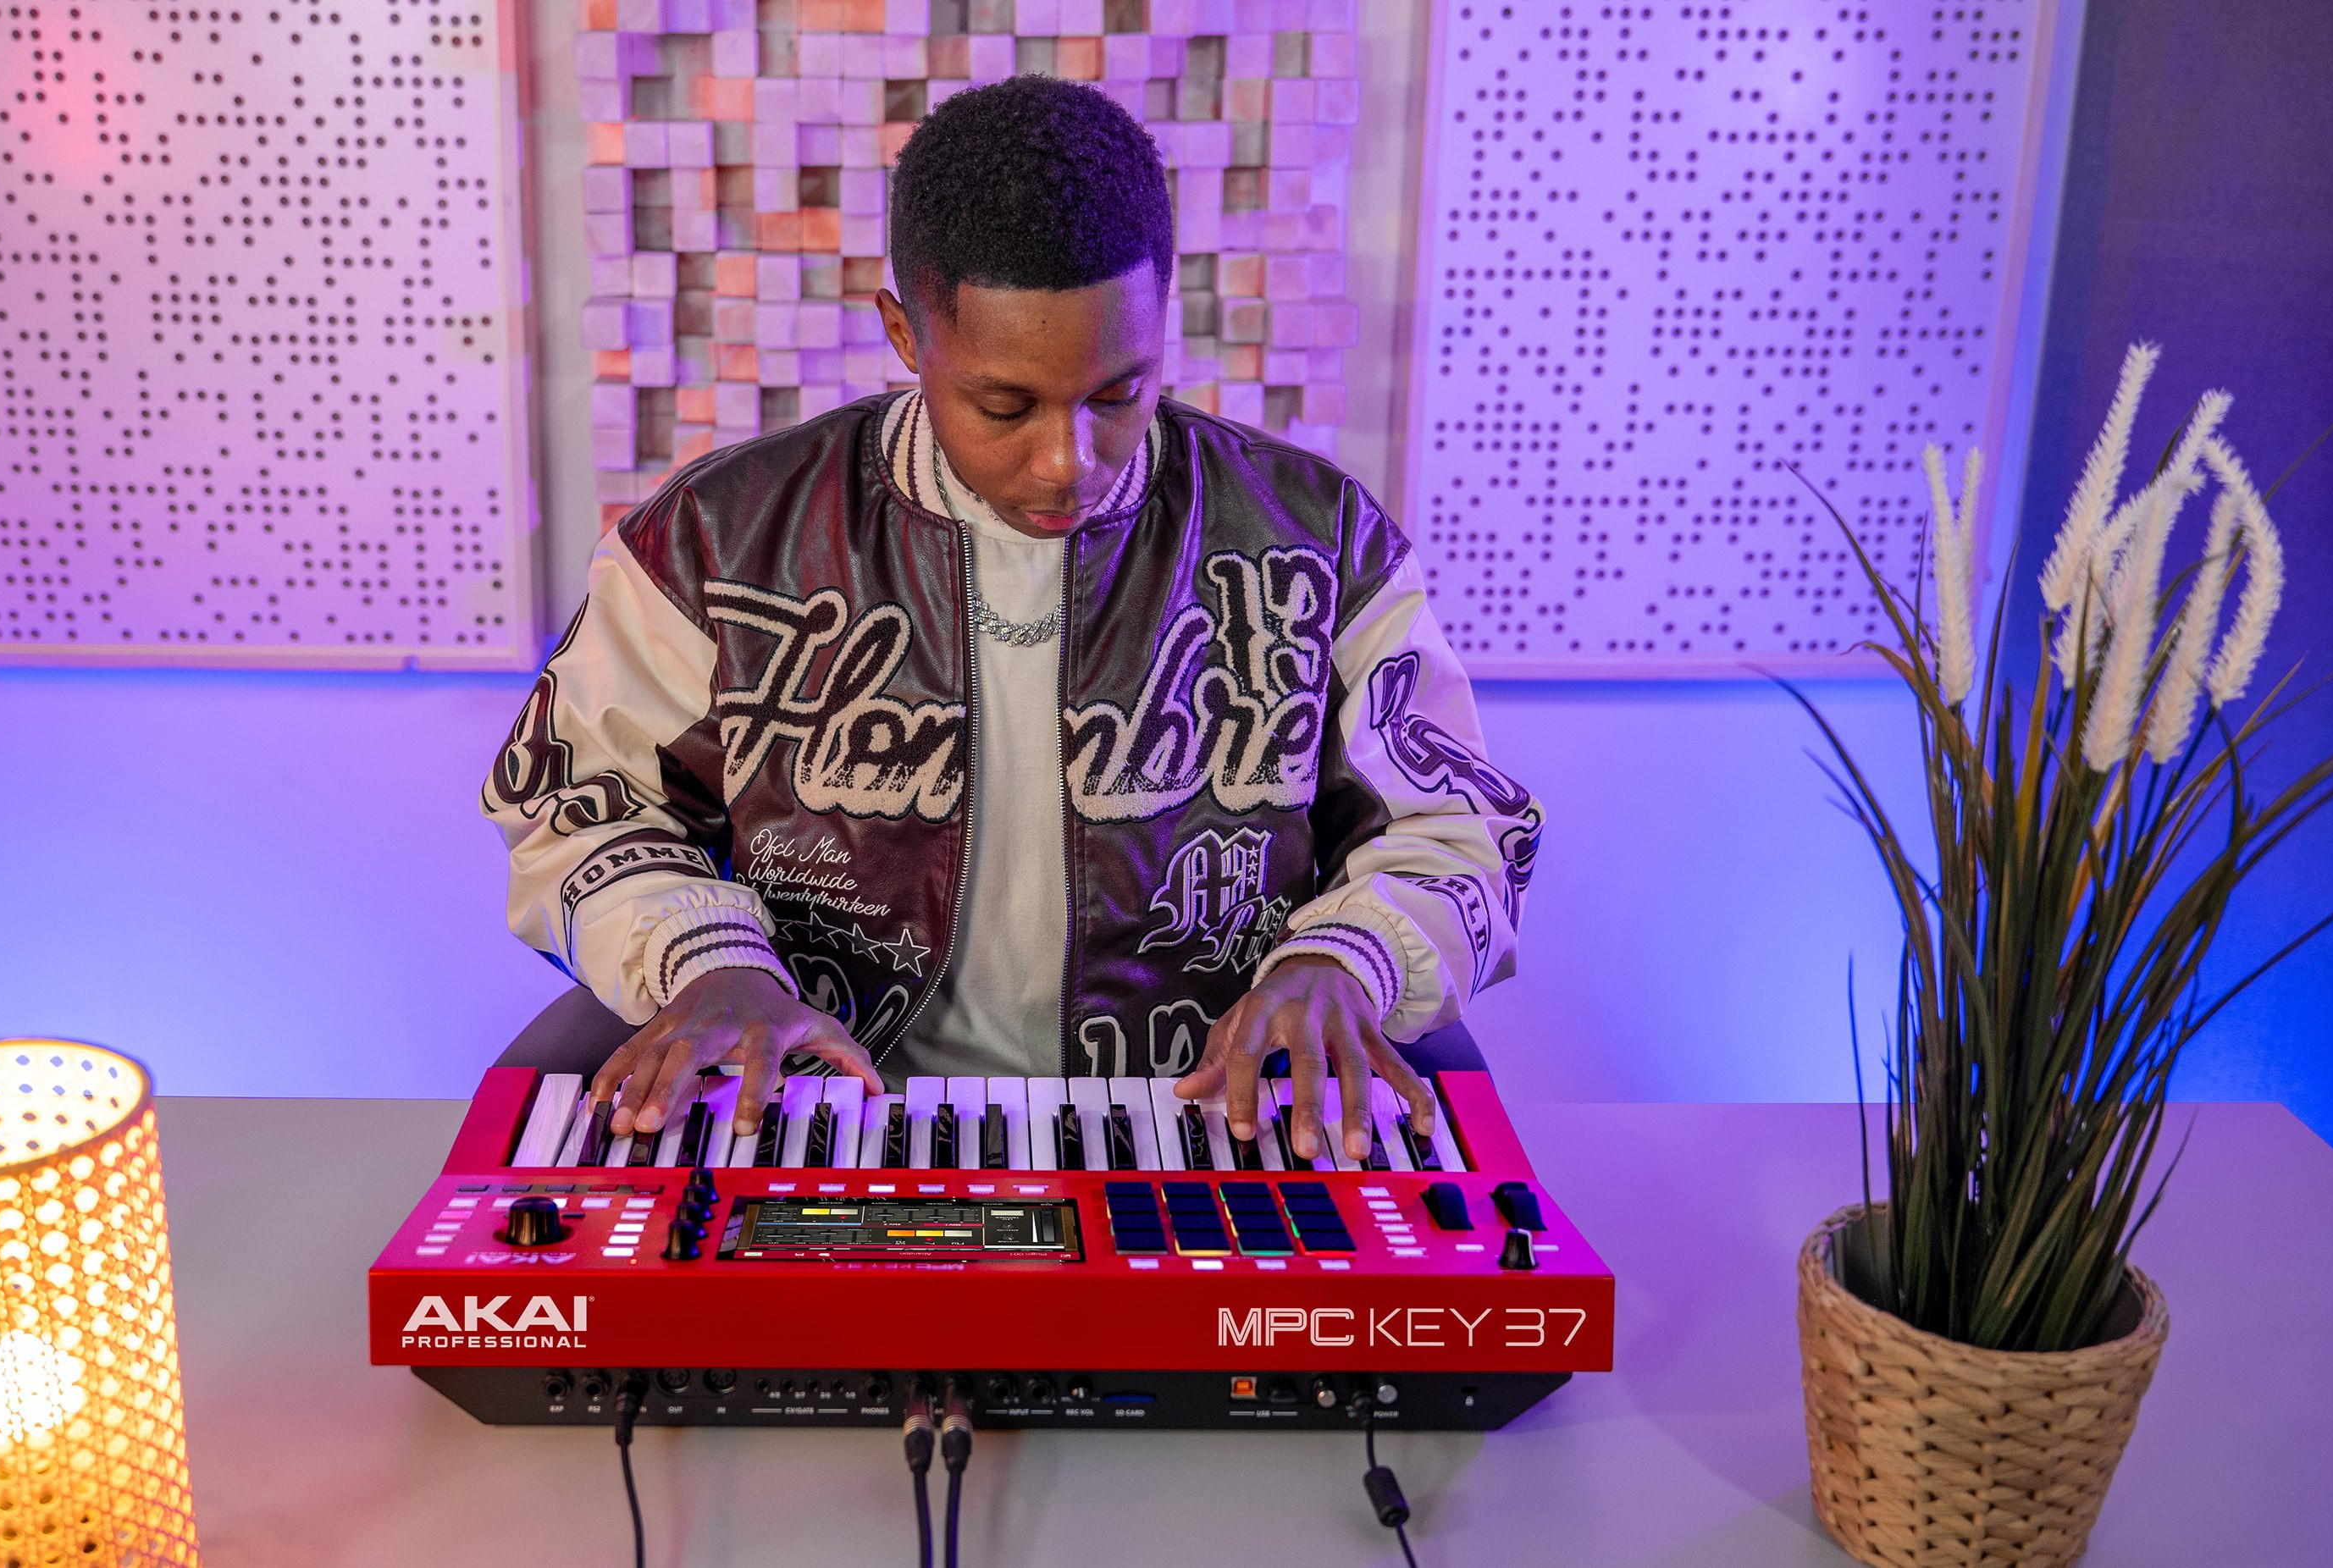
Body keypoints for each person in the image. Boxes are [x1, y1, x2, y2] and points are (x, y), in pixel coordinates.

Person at [484, 75, 1540, 1165]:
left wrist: (1346, 961)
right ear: (905, 333)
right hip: (829, 1105)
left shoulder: (1318, 541)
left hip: (1195, 1112)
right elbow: (578, 804)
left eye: (1118, 394)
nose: (1066, 460)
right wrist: (711, 962)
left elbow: (1456, 826)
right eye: (1005, 406)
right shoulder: (719, 538)